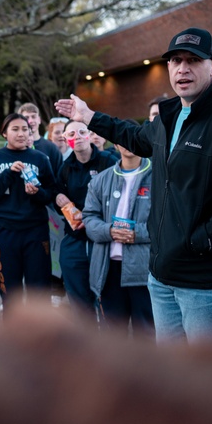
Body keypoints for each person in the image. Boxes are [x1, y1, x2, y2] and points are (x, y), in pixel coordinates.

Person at [55, 27, 212, 345]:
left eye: (193, 61)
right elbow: (135, 137)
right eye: (175, 61)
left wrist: (199, 243)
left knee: (205, 380)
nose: (182, 68)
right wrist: (90, 117)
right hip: (162, 276)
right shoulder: (171, 116)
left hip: (207, 281)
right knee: (173, 376)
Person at [0, 113, 57, 317]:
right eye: (15, 129)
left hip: (36, 233)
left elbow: (51, 193)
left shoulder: (40, 159)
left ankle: (41, 340)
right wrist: (8, 174)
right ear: (4, 133)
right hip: (5, 232)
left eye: (25, 129)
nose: (21, 133)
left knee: (39, 292)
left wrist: (38, 193)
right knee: (10, 293)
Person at [82, 129, 154, 337]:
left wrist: (136, 233)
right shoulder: (101, 180)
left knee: (147, 336)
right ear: (115, 144)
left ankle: (146, 372)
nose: (128, 143)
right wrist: (109, 231)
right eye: (123, 138)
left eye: (135, 139)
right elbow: (89, 218)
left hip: (144, 271)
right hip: (108, 270)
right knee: (112, 339)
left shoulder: (159, 178)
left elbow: (167, 223)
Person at [53, 120, 117, 311]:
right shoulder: (65, 168)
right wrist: (58, 198)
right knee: (79, 300)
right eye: (71, 135)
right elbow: (56, 195)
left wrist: (94, 223)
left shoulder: (108, 161)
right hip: (76, 238)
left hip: (103, 238)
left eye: (81, 132)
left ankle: (107, 337)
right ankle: (85, 335)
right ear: (65, 139)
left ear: (89, 134)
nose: (77, 137)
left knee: (107, 297)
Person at [18, 102, 63, 179]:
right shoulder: (15, 147)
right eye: (26, 117)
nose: (31, 121)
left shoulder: (51, 148)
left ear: (39, 119)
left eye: (33, 117)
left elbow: (60, 177)